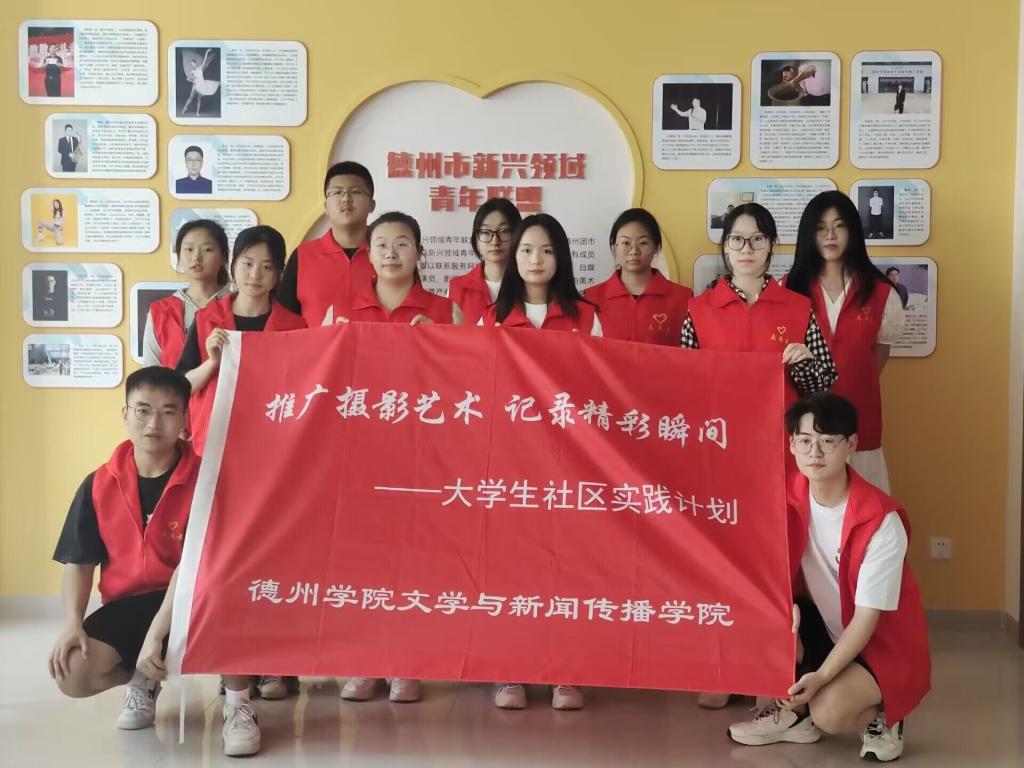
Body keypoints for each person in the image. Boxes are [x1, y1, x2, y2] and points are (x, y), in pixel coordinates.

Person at [728, 393, 930, 763]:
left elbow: (867, 619)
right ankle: (795, 718)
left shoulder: (880, 520)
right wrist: (781, 608)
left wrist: (821, 677)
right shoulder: (781, 497)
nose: (815, 453)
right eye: (804, 440)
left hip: (878, 644)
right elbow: (760, 568)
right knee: (750, 615)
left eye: (827, 441)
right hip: (820, 624)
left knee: (831, 712)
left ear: (851, 444)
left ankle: (886, 713)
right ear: (791, 445)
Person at [48, 368, 199, 732]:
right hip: (128, 604)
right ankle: (142, 679)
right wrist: (72, 623)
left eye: (167, 412)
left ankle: (238, 698)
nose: (153, 424)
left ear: (184, 418)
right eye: (143, 410)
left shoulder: (205, 479)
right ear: (126, 414)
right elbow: (79, 562)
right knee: (72, 671)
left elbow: (197, 563)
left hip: (192, 600)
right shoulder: (99, 484)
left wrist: (157, 632)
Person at [786, 191, 905, 492]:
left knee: (865, 504)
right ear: (809, 234)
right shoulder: (789, 289)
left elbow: (878, 356)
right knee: (807, 506)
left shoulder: (880, 292)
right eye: (821, 227)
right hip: (806, 422)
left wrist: (851, 380)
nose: (830, 235)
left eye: (839, 226)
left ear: (853, 231)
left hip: (859, 418)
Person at [176, 225, 306, 457]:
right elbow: (181, 387)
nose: (255, 275)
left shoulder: (294, 327)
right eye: (247, 264)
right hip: (214, 443)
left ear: (279, 273)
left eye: (267, 267)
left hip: (272, 444)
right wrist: (212, 364)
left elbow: (304, 388)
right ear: (233, 265)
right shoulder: (207, 319)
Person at [276, 161, 377, 327]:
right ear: (326, 207)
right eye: (337, 192)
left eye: (356, 192)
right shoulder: (303, 256)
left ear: (371, 205)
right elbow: (283, 323)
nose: (346, 199)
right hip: (317, 345)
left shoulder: (389, 255)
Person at [481, 213, 602, 338]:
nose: (536, 260)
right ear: (514, 256)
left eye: (547, 251)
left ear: (560, 256)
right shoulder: (492, 318)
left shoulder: (586, 317)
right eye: (527, 250)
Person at [583, 208, 692, 345]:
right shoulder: (590, 299)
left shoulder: (684, 299)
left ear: (656, 247)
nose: (634, 251)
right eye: (625, 243)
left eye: (643, 243)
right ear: (615, 246)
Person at [143, 219, 231, 368]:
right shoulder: (160, 311)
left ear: (224, 256)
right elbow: (151, 370)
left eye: (207, 250)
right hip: (172, 385)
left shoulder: (238, 305)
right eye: (189, 249)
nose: (196, 258)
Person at [343, 211, 456, 326]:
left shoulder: (448, 310)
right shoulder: (344, 309)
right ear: (369, 254)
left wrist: (437, 333)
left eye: (402, 244)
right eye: (382, 245)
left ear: (418, 253)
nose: (391, 254)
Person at [448, 198, 523, 325]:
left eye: (504, 231)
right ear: (476, 238)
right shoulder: (457, 288)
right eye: (486, 232)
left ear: (518, 235)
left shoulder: (531, 287)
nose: (495, 241)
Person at [182, 48, 220, 117]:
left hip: (202, 84)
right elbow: (193, 79)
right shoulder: (192, 72)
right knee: (190, 97)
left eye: (193, 63)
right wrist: (189, 79)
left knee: (199, 99)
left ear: (195, 63)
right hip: (195, 85)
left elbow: (205, 60)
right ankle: (184, 108)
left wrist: (207, 52)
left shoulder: (200, 68)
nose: (192, 65)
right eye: (191, 64)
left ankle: (197, 112)